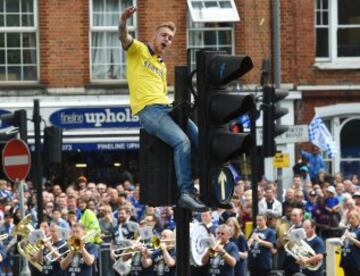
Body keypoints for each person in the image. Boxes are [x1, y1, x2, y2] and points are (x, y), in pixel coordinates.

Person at [119, 6, 207, 211]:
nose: (167, 40)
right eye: (164, 36)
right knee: (182, 141)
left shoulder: (161, 65)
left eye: (170, 38)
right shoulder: (138, 50)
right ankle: (185, 192)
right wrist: (123, 20)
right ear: (154, 36)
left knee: (201, 140)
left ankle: (207, 188)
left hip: (167, 108)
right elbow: (123, 38)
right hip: (149, 111)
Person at [340, 210, 360, 276]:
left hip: (356, 262)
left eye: (352, 218)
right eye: (349, 218)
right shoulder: (348, 229)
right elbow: (342, 243)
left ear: (358, 218)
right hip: (346, 261)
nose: (350, 220)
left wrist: (351, 239)